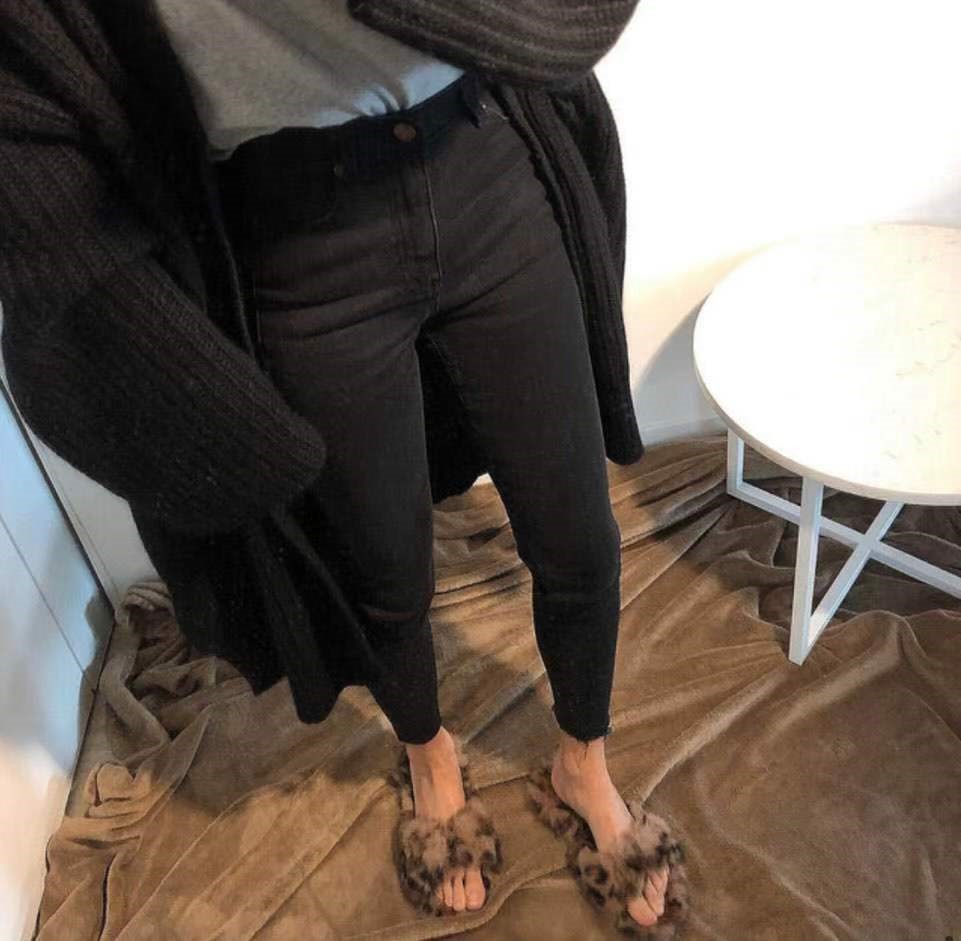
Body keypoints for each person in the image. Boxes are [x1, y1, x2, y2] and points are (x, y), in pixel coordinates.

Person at [0, 0, 686, 931]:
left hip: (484, 168)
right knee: (384, 569)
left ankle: (583, 765)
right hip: (298, 234)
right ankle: (430, 759)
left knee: (580, 539)